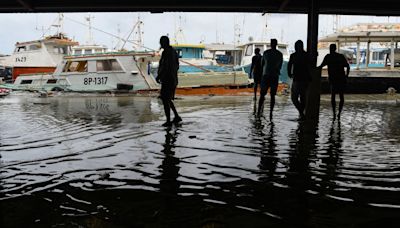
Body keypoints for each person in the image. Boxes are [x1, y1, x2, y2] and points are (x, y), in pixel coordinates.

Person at [319, 44, 350, 120]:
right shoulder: (340, 56)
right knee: (341, 96)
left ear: (330, 49)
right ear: (335, 49)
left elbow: (321, 66)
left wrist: (314, 69)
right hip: (341, 79)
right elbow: (348, 67)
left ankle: (334, 113)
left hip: (333, 79)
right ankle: (339, 113)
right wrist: (346, 76)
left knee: (333, 96)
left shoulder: (328, 57)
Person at [156, 36, 182, 127]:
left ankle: (168, 121)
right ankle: (176, 116)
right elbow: (177, 66)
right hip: (173, 79)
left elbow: (165, 67)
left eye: (161, 42)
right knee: (168, 99)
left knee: (165, 99)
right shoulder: (174, 52)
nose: (160, 44)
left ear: (163, 43)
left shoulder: (166, 53)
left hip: (168, 80)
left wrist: (159, 76)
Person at [257, 39, 283, 119]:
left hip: (266, 75)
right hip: (275, 76)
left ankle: (258, 111)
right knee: (272, 96)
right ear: (276, 44)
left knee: (262, 94)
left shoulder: (266, 53)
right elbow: (280, 66)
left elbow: (262, 64)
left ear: (271, 44)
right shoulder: (279, 54)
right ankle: (271, 113)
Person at [287, 40, 311, 120]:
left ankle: (301, 113)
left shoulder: (293, 55)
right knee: (303, 97)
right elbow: (309, 66)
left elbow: (289, 65)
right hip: (305, 78)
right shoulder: (306, 55)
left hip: (297, 78)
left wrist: (289, 73)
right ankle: (301, 113)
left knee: (294, 98)